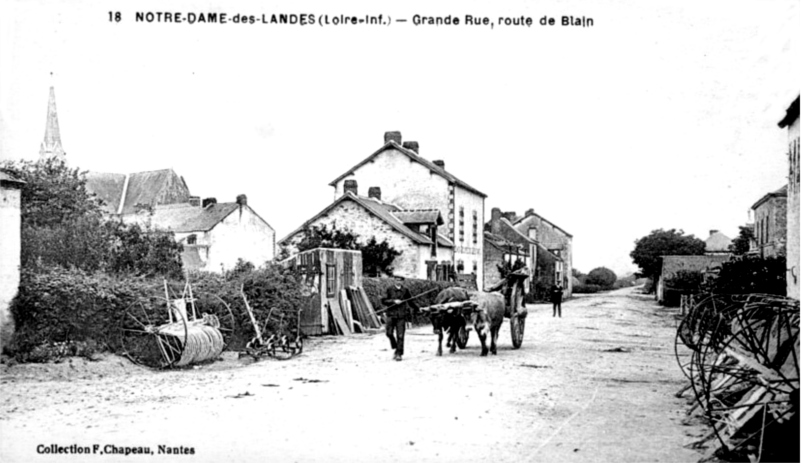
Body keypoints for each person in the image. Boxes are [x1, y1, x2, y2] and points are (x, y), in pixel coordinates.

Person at [381, 276, 419, 361]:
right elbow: (383, 300)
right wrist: (393, 301)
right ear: (394, 280)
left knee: (400, 335)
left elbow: (410, 301)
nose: (398, 282)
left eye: (400, 280)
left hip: (401, 315)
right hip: (391, 315)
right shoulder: (389, 289)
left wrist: (417, 308)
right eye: (397, 280)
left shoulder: (405, 290)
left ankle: (399, 353)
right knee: (389, 333)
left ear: (403, 282)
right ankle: (395, 346)